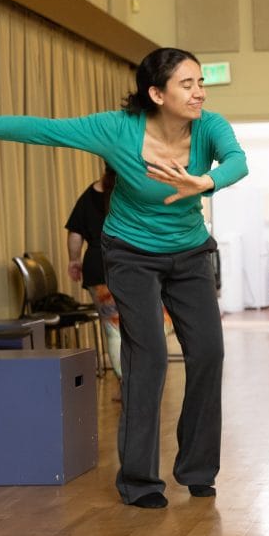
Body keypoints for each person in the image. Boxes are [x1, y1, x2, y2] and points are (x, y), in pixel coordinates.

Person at [0, 47, 249, 509]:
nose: (199, 92)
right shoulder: (116, 130)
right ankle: (140, 481)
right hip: (130, 254)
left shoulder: (209, 126)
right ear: (156, 93)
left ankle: (198, 468)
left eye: (200, 82)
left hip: (188, 253)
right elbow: (42, 130)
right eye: (187, 84)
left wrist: (206, 182)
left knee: (209, 352)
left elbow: (237, 161)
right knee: (149, 360)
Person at [65, 165, 175, 390]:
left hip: (99, 266)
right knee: (155, 320)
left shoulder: (90, 193)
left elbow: (75, 234)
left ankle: (127, 383)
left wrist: (74, 260)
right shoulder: (138, 190)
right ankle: (145, 378)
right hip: (137, 265)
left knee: (114, 329)